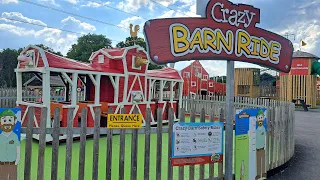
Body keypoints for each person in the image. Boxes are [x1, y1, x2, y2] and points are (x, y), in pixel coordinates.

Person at [0, 109, 20, 180]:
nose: (7, 123)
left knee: (13, 177)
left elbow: (17, 148)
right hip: (1, 164)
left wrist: (17, 159)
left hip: (12, 163)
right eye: (4, 121)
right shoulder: (0, 137)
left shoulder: (15, 136)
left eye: (10, 120)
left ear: (14, 122)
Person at [255, 109, 266, 180]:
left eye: (261, 118)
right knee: (258, 162)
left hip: (263, 148)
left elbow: (265, 136)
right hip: (257, 148)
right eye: (259, 118)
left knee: (263, 161)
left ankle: (263, 173)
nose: (260, 120)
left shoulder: (263, 128)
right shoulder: (256, 130)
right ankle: (258, 174)